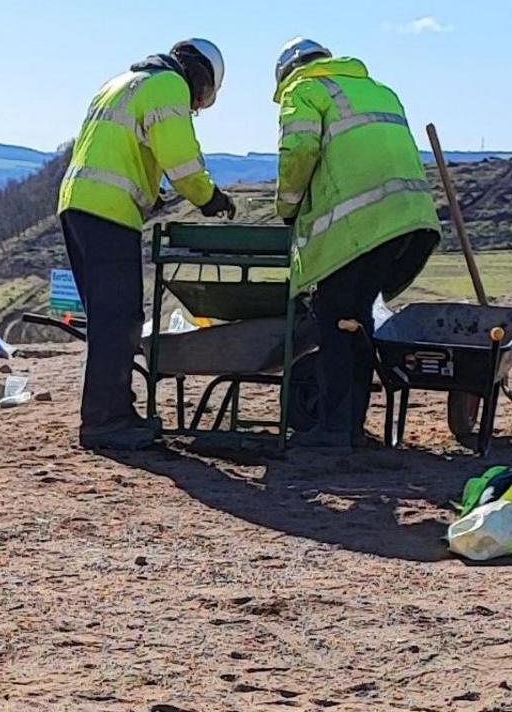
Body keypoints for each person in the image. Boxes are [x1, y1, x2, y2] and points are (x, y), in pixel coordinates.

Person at [57, 40, 236, 453]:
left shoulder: (121, 83)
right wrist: (208, 198)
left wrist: (149, 191)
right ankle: (107, 422)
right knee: (119, 321)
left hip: (77, 205)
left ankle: (113, 412)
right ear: (201, 77)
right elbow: (181, 158)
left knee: (107, 320)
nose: (195, 106)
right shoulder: (167, 86)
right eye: (202, 99)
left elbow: (122, 149)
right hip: (108, 211)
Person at [271, 40, 442, 448]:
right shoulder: (379, 90)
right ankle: (348, 425)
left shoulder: (304, 90)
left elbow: (298, 150)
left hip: (364, 226)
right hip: (411, 222)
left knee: (334, 319)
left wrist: (288, 207)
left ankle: (333, 432)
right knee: (356, 318)